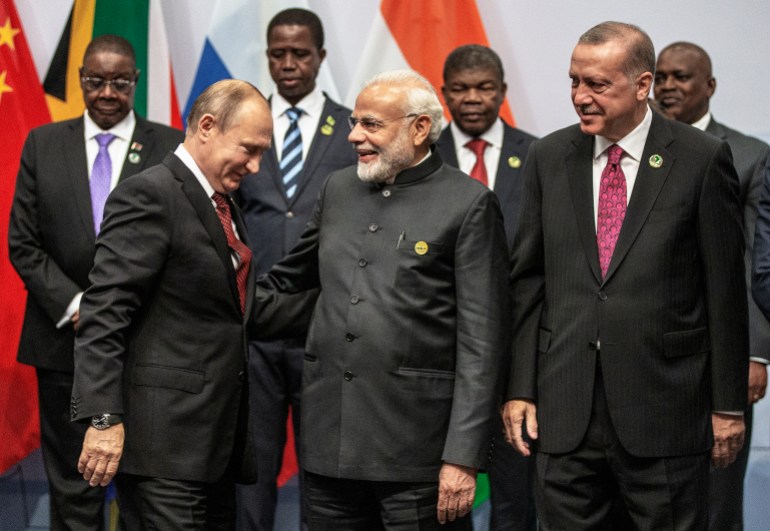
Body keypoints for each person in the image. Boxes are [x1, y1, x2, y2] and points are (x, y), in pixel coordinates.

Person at [502, 21, 748, 530]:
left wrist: (728, 406)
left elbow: (724, 291)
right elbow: (528, 282)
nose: (580, 97)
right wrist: (520, 387)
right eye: (574, 81)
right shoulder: (548, 157)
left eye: (597, 84)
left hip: (666, 409)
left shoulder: (701, 159)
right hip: (564, 410)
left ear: (642, 85)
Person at [254, 69, 510, 530]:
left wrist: (462, 458)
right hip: (328, 447)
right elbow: (284, 285)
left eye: (371, 124)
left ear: (419, 129)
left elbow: (483, 344)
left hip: (418, 455)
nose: (353, 136)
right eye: (355, 122)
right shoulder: (338, 189)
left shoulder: (469, 203)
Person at [69, 79, 272, 530]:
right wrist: (103, 418)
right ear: (206, 126)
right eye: (249, 149)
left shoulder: (223, 202)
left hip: (212, 449)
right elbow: (104, 314)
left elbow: (225, 308)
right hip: (163, 451)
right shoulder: (150, 194)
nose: (256, 166)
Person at [8, 34, 183, 530]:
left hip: (145, 342)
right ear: (81, 79)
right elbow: (23, 242)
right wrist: (77, 304)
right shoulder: (44, 143)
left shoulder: (171, 145)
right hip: (63, 340)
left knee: (142, 487)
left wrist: (116, 309)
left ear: (136, 81)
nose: (107, 92)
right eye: (96, 81)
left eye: (119, 82)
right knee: (73, 486)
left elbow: (183, 244)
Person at [234, 8, 357, 530]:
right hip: (253, 328)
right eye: (278, 54)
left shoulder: (352, 129)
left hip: (322, 328)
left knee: (324, 471)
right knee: (251, 471)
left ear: (320, 57)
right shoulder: (240, 125)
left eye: (300, 54)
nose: (288, 64)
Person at [654, 41, 770, 531]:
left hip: (723, 351)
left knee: (718, 494)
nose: (668, 86)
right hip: (650, 350)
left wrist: (756, 353)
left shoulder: (747, 155)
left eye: (681, 77)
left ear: (710, 86)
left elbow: (755, 261)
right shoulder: (634, 151)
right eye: (660, 77)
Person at [436, 44, 537, 531]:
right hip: (444, 356)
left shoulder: (539, 155)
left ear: (503, 91)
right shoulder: (424, 157)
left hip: (520, 355)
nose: (472, 98)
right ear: (443, 94)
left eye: (484, 87)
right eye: (460, 88)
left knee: (516, 499)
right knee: (446, 497)